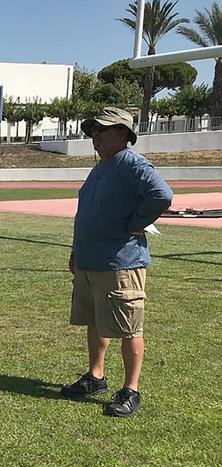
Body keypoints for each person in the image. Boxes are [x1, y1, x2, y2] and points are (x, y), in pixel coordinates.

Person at [62, 107, 173, 418]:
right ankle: (96, 376)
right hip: (90, 260)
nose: (96, 135)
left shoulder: (131, 163)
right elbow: (86, 212)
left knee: (128, 328)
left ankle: (130, 390)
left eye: (103, 129)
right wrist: (76, 251)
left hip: (120, 263)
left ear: (123, 134)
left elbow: (162, 195)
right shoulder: (101, 167)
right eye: (93, 130)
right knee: (96, 321)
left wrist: (137, 222)